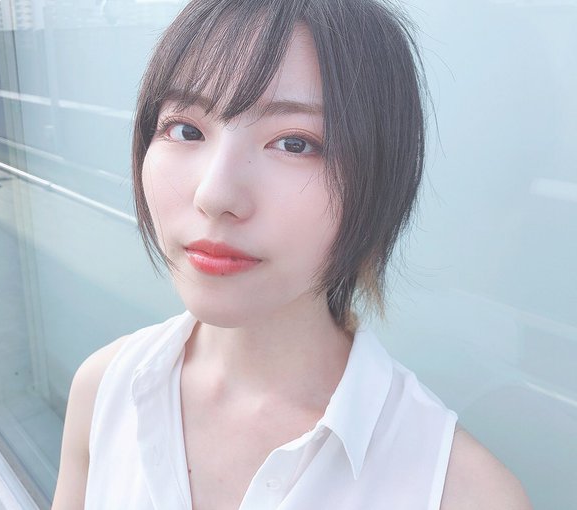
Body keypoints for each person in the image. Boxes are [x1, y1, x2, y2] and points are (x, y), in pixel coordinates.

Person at [52, 1, 532, 508]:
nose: (215, 194)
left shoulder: (464, 492)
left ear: (378, 180)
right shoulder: (105, 389)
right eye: (186, 130)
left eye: (295, 144)